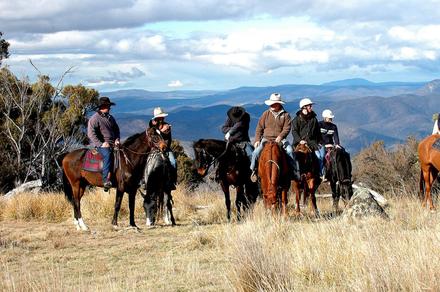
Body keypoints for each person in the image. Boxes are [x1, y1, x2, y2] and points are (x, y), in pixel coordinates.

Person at [250, 93, 297, 182]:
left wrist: (280, 136)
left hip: (280, 139)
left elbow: (287, 128)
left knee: (290, 151)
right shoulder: (266, 114)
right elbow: (259, 127)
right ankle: (253, 171)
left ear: (278, 104)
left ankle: (293, 172)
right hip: (266, 139)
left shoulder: (286, 115)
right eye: (271, 103)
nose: (271, 105)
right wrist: (257, 140)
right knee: (255, 153)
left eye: (274, 103)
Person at [87, 96, 120, 191]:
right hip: (102, 146)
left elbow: (116, 129)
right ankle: (106, 180)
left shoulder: (111, 118)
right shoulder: (94, 119)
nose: (109, 108)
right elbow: (90, 133)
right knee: (108, 155)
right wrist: (101, 144)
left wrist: (117, 139)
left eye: (109, 106)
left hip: (113, 143)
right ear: (102, 107)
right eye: (107, 106)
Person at [291, 97, 322, 179]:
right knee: (291, 157)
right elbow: (294, 131)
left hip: (312, 143)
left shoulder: (314, 119)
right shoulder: (296, 120)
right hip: (298, 143)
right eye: (309, 106)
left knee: (319, 157)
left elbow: (317, 132)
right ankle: (293, 174)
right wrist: (299, 140)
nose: (311, 108)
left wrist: (319, 142)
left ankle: (319, 174)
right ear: (304, 107)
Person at [148, 107, 177, 190]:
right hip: (154, 148)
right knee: (144, 161)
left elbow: (167, 139)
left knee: (173, 162)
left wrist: (162, 131)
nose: (161, 119)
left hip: (165, 149)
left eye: (162, 117)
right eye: (159, 117)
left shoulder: (167, 126)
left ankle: (172, 181)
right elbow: (152, 135)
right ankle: (143, 180)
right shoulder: (152, 125)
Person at [319, 109, 341, 181]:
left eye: (331, 118)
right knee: (322, 156)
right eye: (329, 118)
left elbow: (336, 136)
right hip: (321, 145)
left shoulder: (334, 126)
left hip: (331, 145)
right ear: (325, 117)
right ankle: (322, 174)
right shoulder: (319, 125)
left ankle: (339, 174)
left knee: (338, 156)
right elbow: (317, 136)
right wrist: (324, 144)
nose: (331, 119)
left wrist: (337, 144)